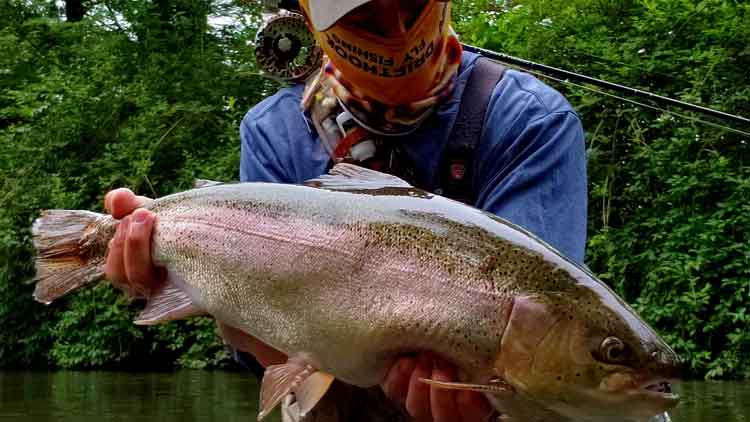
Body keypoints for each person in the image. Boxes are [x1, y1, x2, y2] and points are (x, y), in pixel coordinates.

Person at [104, 0, 587, 421]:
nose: (398, 31)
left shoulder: (531, 120)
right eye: (363, 15)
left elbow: (547, 341)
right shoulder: (274, 134)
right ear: (312, 23)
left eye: (412, 3)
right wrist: (190, 280)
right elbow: (264, 351)